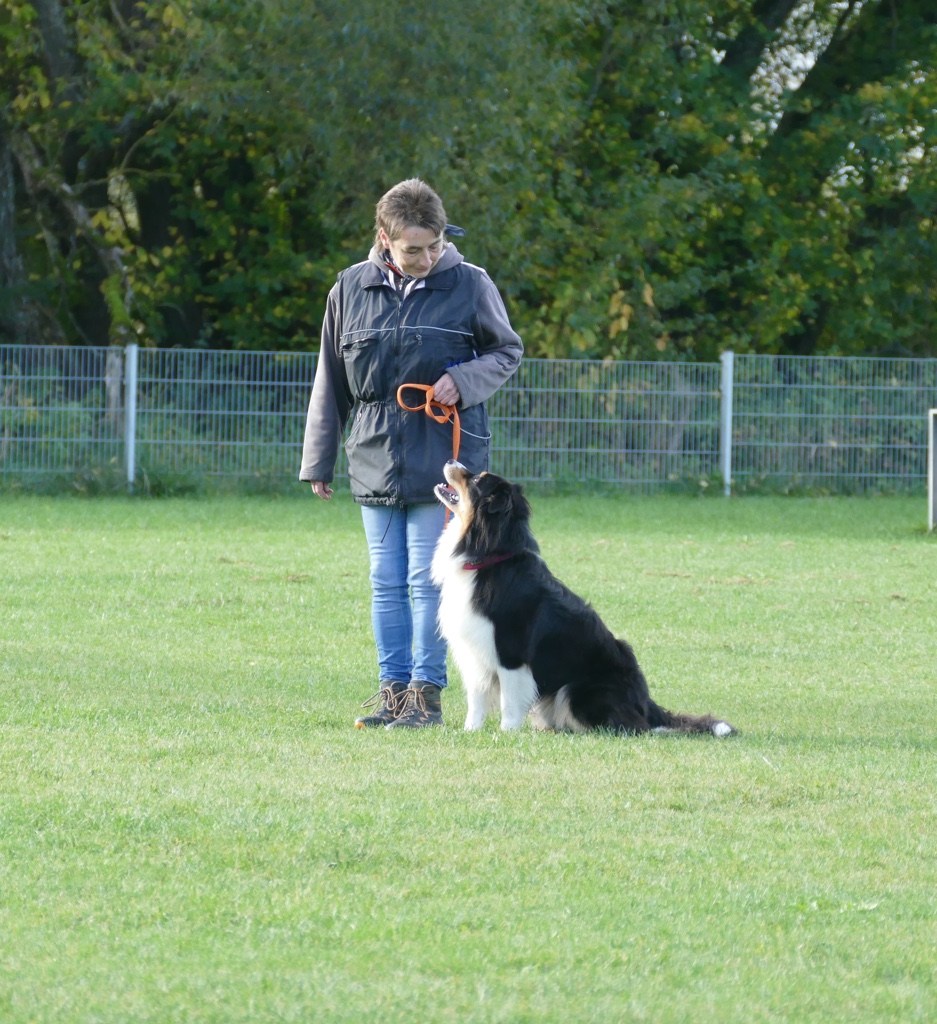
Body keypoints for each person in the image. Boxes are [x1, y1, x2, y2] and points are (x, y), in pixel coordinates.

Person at [300, 178, 523, 729]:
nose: (427, 259)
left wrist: (463, 380)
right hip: (373, 455)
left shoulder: (472, 284)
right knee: (386, 582)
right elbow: (331, 378)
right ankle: (392, 693)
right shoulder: (348, 288)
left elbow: (506, 351)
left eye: (435, 246)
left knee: (427, 581)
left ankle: (426, 697)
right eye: (413, 249)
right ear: (385, 239)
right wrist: (318, 460)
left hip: (444, 457)